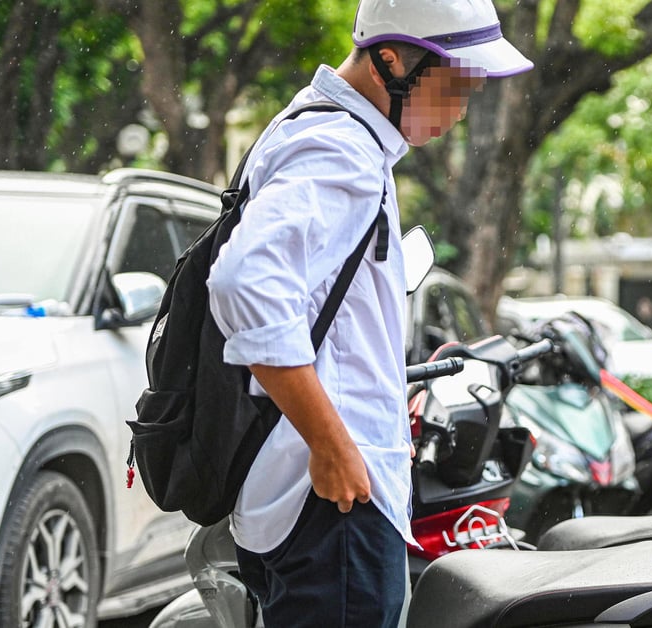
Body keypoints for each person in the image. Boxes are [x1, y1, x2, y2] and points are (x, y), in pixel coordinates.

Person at [205, 1, 531, 625]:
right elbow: (246, 282)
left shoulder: (320, 128)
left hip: (314, 501)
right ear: (391, 59)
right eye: (456, 86)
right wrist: (332, 443)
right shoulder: (339, 148)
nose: (461, 111)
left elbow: (329, 317)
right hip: (329, 509)